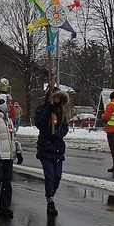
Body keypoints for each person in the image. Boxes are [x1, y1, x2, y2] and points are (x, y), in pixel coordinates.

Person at [35, 88, 69, 216]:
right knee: (49, 175)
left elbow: (65, 126)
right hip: (45, 147)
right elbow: (39, 124)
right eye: (54, 97)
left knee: (57, 176)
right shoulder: (41, 109)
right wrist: (48, 112)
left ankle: (51, 193)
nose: (56, 100)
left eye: (58, 98)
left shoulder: (61, 111)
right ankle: (50, 201)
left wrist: (58, 135)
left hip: (58, 148)